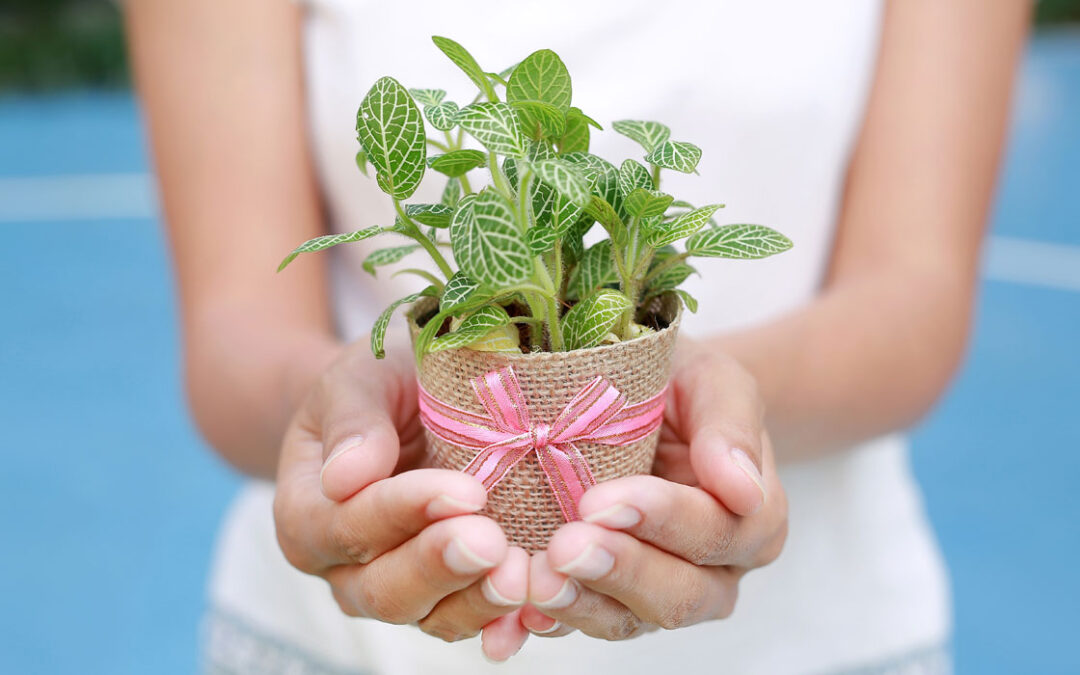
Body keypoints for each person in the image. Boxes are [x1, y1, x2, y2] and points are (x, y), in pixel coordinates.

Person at [125, 0, 1029, 672]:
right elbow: (235, 332)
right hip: (351, 644)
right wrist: (341, 428)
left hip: (813, 631)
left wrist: (706, 410)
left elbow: (916, 298)